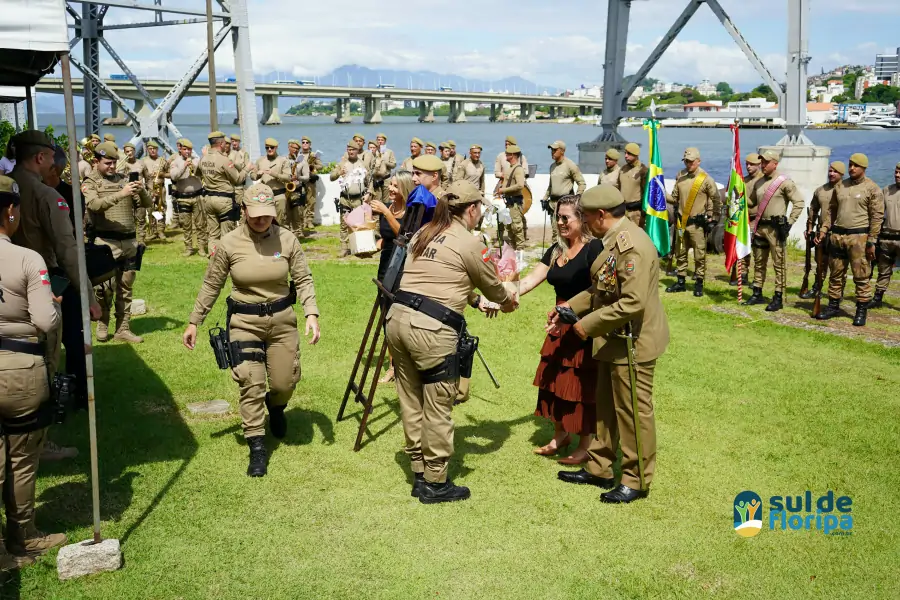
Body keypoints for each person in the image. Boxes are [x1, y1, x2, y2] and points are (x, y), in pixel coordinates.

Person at [386, 178, 518, 504]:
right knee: (438, 405)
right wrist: (507, 299)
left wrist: (472, 301)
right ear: (471, 210)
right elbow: (495, 288)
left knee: (411, 399)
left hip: (397, 320)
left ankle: (419, 472)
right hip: (430, 331)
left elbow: (441, 277)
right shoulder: (471, 242)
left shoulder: (424, 232)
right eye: (479, 210)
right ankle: (436, 482)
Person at [183, 183, 320, 477]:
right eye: (255, 214)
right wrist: (195, 320)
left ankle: (278, 406)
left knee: (284, 382)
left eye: (267, 215)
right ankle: (257, 446)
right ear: (243, 211)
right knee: (250, 383)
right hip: (244, 322)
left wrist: (311, 312)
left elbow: (304, 278)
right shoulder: (229, 243)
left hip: (282, 321)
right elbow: (212, 284)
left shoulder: (287, 239)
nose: (261, 220)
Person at [551, 184, 669, 504]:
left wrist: (584, 327)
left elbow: (632, 303)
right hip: (615, 338)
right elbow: (601, 287)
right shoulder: (614, 240)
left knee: (632, 412)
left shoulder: (632, 247)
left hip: (634, 343)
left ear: (601, 215)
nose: (584, 223)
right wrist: (569, 309)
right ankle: (600, 467)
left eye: (586, 217)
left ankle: (636, 478)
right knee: (605, 409)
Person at [0, 175, 68, 565]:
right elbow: (44, 320)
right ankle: (22, 536)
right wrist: (53, 303)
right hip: (19, 369)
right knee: (22, 460)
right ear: (11, 210)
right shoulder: (27, 258)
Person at [518, 195, 602, 464]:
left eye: (566, 217)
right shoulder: (556, 249)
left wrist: (571, 307)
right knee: (553, 382)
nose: (560, 222)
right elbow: (530, 280)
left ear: (582, 219)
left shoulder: (594, 249)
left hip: (582, 327)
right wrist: (502, 292)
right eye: (558, 217)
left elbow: (600, 289)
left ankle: (585, 445)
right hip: (558, 327)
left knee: (581, 387)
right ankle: (560, 435)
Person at [83, 141, 151, 343]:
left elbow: (146, 204)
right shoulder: (91, 182)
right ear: (96, 161)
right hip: (106, 242)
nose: (112, 167)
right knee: (104, 288)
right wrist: (122, 194)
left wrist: (141, 190)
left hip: (129, 241)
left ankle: (123, 328)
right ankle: (102, 324)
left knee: (126, 287)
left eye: (114, 162)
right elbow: (94, 205)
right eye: (107, 163)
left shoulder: (124, 179)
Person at [815, 152, 884, 326]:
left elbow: (877, 217)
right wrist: (823, 230)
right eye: (850, 165)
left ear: (864, 168)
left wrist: (872, 241)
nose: (852, 168)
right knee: (836, 274)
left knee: (861, 275)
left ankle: (861, 310)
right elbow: (831, 211)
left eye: (856, 166)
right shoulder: (840, 186)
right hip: (837, 236)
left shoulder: (872, 188)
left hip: (858, 237)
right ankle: (833, 306)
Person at [742, 150, 804, 312]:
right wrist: (739, 194)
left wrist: (789, 223)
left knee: (778, 264)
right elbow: (752, 203)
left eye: (766, 162)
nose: (762, 165)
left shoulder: (784, 182)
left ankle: (778, 296)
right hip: (760, 226)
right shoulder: (759, 182)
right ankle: (757, 292)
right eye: (761, 162)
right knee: (759, 262)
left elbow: (799, 202)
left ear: (775, 163)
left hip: (776, 229)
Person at [666, 147, 720, 297]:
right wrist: (660, 193)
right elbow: (675, 198)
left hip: (697, 224)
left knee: (699, 255)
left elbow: (716, 199)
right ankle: (681, 281)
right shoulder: (680, 176)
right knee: (680, 253)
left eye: (691, 162)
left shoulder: (706, 179)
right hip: (682, 223)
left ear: (698, 161)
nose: (688, 164)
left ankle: (699, 283)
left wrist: (714, 218)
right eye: (686, 161)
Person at [800, 161, 844, 299]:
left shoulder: (845, 190)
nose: (831, 173)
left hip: (838, 232)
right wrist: (809, 228)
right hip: (821, 232)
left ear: (841, 174)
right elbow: (813, 210)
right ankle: (816, 287)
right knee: (820, 262)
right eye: (830, 171)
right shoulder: (820, 190)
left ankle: (838, 292)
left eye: (835, 171)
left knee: (838, 265)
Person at [200, 131, 249, 253]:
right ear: (221, 143)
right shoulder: (224, 160)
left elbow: (197, 173)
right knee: (227, 234)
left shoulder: (203, 159)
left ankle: (213, 257)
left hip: (208, 199)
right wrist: (246, 169)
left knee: (213, 234)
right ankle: (225, 260)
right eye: (224, 143)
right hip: (223, 200)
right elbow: (237, 179)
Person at [331, 139, 373, 257]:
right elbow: (331, 177)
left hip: (359, 199)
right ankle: (344, 248)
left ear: (357, 150)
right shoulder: (342, 163)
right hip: (345, 198)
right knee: (344, 224)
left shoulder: (363, 164)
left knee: (360, 224)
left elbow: (369, 181)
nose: (351, 152)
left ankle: (361, 248)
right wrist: (339, 172)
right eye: (349, 149)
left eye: (353, 149)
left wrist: (369, 193)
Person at [543, 141, 586, 244]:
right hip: (553, 204)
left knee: (567, 230)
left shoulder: (570, 165)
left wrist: (575, 200)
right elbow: (551, 185)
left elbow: (582, 183)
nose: (552, 152)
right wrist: (545, 198)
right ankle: (557, 254)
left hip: (565, 204)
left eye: (555, 150)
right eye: (551, 150)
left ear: (562, 151)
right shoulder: (552, 166)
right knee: (555, 231)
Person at [870, 162, 900, 309]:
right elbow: (878, 214)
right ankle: (877, 298)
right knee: (883, 270)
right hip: (887, 237)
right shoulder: (886, 190)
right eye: (896, 172)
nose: (897, 175)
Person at [169, 139, 206, 257]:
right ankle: (188, 248)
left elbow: (203, 173)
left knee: (200, 224)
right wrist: (184, 166)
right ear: (180, 149)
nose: (187, 152)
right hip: (183, 198)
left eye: (189, 149)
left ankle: (201, 247)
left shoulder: (197, 160)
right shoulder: (175, 162)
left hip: (197, 196)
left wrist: (194, 166)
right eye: (185, 149)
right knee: (186, 225)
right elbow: (174, 176)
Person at [732, 153, 764, 286]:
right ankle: (743, 274)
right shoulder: (743, 180)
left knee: (757, 250)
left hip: (757, 219)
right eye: (747, 164)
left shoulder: (763, 181)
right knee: (742, 246)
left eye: (751, 164)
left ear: (759, 165)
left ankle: (757, 278)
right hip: (743, 218)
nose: (748, 167)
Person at [250, 138, 291, 227]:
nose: (269, 149)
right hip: (265, 196)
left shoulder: (283, 160)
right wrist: (258, 174)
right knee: (264, 222)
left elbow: (288, 178)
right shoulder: (260, 160)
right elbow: (252, 176)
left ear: (276, 148)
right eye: (267, 147)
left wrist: (273, 174)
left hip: (279, 195)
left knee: (279, 222)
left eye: (272, 147)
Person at [496, 144, 526, 250]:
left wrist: (503, 190)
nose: (505, 156)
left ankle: (520, 249)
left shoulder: (518, 169)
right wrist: (500, 191)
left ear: (512, 155)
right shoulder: (510, 168)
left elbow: (520, 185)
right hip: (508, 202)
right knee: (509, 227)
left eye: (507, 154)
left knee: (516, 227)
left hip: (515, 203)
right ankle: (514, 249)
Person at [141, 140, 169, 242]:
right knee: (151, 209)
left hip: (161, 188)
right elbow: (141, 175)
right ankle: (152, 231)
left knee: (161, 208)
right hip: (149, 189)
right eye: (150, 149)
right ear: (147, 149)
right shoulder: (143, 161)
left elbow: (169, 173)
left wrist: (161, 174)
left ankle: (161, 230)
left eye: (155, 149)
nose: (153, 151)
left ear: (157, 149)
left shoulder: (162, 160)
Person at [618, 143, 649, 227]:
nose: (626, 156)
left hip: (636, 214)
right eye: (625, 153)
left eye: (629, 153)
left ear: (636, 155)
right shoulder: (622, 169)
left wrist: (643, 214)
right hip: (622, 212)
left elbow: (647, 193)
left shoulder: (643, 170)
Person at [285, 139, 310, 240]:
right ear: (289, 147)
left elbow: (307, 177)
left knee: (297, 213)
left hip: (297, 189)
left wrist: (298, 177)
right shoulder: (283, 159)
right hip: (286, 190)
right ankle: (287, 232)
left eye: (297, 148)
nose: (295, 150)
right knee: (286, 213)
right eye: (293, 147)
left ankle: (298, 232)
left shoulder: (303, 162)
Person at [300, 136, 323, 232]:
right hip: (300, 180)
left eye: (307, 142)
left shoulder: (313, 155)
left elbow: (321, 166)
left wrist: (313, 166)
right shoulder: (298, 155)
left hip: (310, 181)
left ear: (310, 144)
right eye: (303, 142)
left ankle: (309, 220)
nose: (305, 144)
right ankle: (302, 221)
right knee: (301, 201)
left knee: (311, 201)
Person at [374, 133, 396, 206]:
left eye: (382, 140)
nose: (380, 141)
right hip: (376, 178)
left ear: (385, 141)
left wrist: (386, 163)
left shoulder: (389, 152)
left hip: (386, 178)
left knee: (386, 200)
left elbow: (394, 165)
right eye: (378, 140)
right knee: (377, 198)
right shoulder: (374, 151)